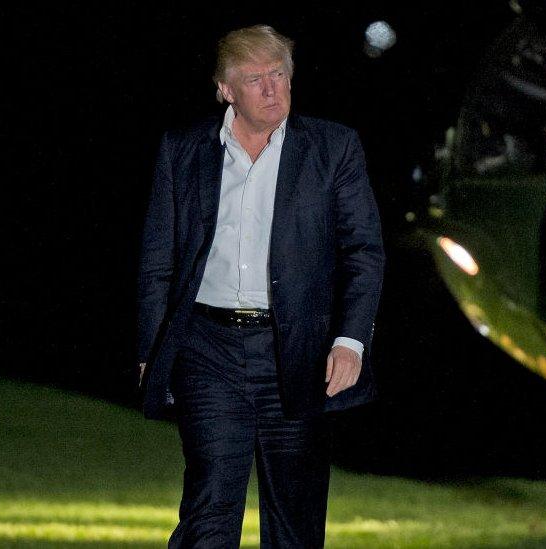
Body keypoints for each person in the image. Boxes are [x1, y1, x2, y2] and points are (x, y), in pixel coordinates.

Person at [136, 24, 384, 548]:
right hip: (209, 349)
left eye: (279, 75)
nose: (272, 89)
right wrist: (152, 348)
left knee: (295, 516)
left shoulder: (333, 148)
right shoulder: (184, 150)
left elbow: (363, 251)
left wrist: (350, 340)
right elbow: (159, 258)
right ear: (225, 89)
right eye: (255, 79)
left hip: (297, 352)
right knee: (209, 504)